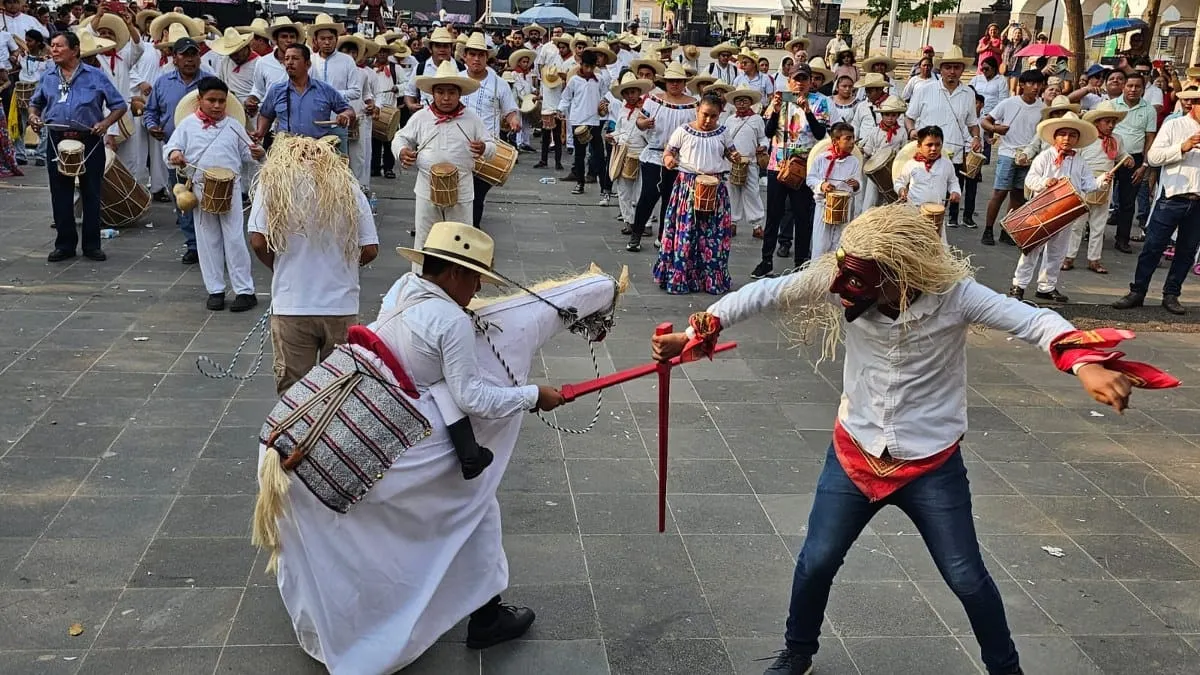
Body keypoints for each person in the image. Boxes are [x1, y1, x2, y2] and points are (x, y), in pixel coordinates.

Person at [650, 204, 1173, 675]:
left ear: (904, 275)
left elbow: (1035, 321)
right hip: (855, 452)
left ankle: (1005, 668)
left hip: (931, 464)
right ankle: (798, 651)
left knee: (966, 577)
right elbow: (764, 292)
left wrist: (1084, 363)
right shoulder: (845, 279)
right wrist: (693, 333)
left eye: (863, 281)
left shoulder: (957, 297)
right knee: (817, 560)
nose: (847, 290)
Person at [247, 134, 379, 395]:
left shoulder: (273, 184)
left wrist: (280, 268)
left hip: (292, 305)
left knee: (294, 396)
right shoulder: (349, 187)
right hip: (341, 306)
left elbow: (258, 241)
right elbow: (370, 249)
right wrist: (343, 269)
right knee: (338, 394)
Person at [165, 77, 264, 311]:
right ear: (200, 99)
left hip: (230, 189)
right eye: (212, 100)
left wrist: (258, 153)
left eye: (221, 101)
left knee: (235, 239)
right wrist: (175, 154)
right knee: (207, 240)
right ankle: (215, 290)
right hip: (201, 189)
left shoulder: (234, 125)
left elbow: (248, 154)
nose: (217, 105)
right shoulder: (187, 125)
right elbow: (170, 149)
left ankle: (245, 291)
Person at [29, 31, 126, 262]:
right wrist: (33, 116)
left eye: (59, 46)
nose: (53, 50)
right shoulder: (48, 76)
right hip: (57, 140)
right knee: (60, 193)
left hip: (89, 139)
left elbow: (119, 105)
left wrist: (105, 124)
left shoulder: (95, 76)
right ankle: (64, 245)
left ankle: (92, 246)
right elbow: (35, 103)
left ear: (74, 50)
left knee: (91, 192)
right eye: (52, 45)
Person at [1112, 88, 1200, 315]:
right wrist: (1182, 147)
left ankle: (1171, 294)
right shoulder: (1174, 126)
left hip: (1198, 202)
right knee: (1153, 247)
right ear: (1194, 104)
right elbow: (1153, 157)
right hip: (1172, 197)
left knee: (1187, 251)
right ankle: (1138, 291)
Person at [393, 60, 494, 257]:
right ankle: (421, 274)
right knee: (425, 239)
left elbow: (491, 146)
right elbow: (400, 137)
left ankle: (457, 275)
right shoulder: (421, 117)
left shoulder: (471, 118)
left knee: (460, 240)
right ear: (433, 93)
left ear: (459, 94)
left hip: (462, 190)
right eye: (440, 92)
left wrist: (484, 148)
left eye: (451, 92)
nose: (446, 98)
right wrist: (402, 151)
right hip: (426, 189)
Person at [1008, 112, 1099, 303]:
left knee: (1057, 251)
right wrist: (1045, 182)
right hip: (1043, 210)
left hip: (1066, 211)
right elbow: (1030, 179)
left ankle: (1047, 286)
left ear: (1077, 139)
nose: (1067, 138)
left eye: (1072, 135)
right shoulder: (1045, 156)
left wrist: (1102, 181)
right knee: (1032, 249)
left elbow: (1088, 184)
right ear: (1055, 136)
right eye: (1063, 134)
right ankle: (1019, 284)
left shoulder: (1080, 161)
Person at [653, 94, 738, 294]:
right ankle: (680, 277)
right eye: (705, 114)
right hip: (687, 188)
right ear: (697, 110)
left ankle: (710, 279)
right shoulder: (683, 131)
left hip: (715, 188)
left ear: (720, 115)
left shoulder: (723, 132)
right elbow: (668, 152)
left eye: (713, 116)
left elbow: (730, 152)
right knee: (686, 234)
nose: (708, 120)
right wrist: (668, 160)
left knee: (712, 236)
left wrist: (734, 156)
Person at [752, 63, 830, 279]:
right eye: (796, 79)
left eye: (804, 79)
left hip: (803, 166)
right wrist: (776, 111)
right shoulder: (780, 99)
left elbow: (820, 133)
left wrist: (807, 111)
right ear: (789, 81)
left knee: (802, 215)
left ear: (810, 81)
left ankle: (800, 262)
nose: (800, 83)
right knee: (773, 215)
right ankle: (766, 261)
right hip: (777, 165)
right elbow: (768, 132)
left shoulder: (820, 101)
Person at [144, 33, 214, 264]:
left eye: (194, 55)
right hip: (175, 150)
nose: (190, 60)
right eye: (185, 55)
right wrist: (152, 126)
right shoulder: (163, 82)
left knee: (207, 198)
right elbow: (151, 111)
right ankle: (193, 244)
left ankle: (210, 243)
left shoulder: (210, 82)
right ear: (174, 58)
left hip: (205, 150)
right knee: (182, 197)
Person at [905, 46, 982, 228]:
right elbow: (909, 117)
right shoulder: (925, 89)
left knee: (941, 203)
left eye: (957, 67)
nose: (952, 72)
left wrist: (976, 138)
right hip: (925, 155)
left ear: (962, 70)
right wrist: (912, 131)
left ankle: (935, 236)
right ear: (941, 69)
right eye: (948, 67)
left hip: (953, 156)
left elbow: (972, 124)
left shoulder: (968, 93)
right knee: (920, 199)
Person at [625, 62, 697, 251]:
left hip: (680, 159)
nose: (675, 84)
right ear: (665, 82)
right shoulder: (654, 101)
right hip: (655, 154)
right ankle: (636, 234)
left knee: (671, 198)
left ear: (684, 82)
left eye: (678, 81)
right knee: (648, 195)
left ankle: (664, 236)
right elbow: (640, 121)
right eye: (671, 81)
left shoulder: (693, 104)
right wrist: (644, 123)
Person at [1063, 107, 1133, 275]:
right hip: (1084, 182)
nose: (1111, 125)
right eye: (1107, 122)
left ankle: (1094, 259)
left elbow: (1122, 155)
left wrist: (1128, 159)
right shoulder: (1087, 139)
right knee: (1077, 224)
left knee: (1099, 224)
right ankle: (1069, 256)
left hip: (1106, 184)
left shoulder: (1117, 139)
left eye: (1113, 122)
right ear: (1096, 122)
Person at [980, 69, 1046, 245]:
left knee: (1018, 195)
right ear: (1022, 85)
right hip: (1007, 153)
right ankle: (988, 229)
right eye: (1031, 83)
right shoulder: (1009, 103)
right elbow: (985, 121)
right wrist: (995, 129)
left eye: (1038, 84)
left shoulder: (1043, 108)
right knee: (999, 193)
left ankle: (1007, 230)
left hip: (1028, 155)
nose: (1035, 87)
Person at [460, 32, 519, 224]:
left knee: (476, 197)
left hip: (486, 149)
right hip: (457, 147)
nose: (476, 59)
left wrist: (513, 120)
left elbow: (510, 110)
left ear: (487, 57)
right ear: (465, 56)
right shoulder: (456, 80)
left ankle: (472, 230)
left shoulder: (499, 84)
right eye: (472, 54)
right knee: (458, 196)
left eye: (481, 55)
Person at [255, 44, 354, 141]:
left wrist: (345, 115)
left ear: (308, 64)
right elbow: (266, 116)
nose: (289, 62)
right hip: (286, 148)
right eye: (287, 59)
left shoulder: (325, 90)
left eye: (295, 58)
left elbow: (349, 111)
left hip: (317, 149)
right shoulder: (276, 91)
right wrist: (260, 132)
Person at [1108, 71, 1157, 253]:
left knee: (1127, 202)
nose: (1133, 89)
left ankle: (1122, 239)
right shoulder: (1112, 105)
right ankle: (1092, 235)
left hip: (1134, 160)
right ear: (1123, 87)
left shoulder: (1149, 110)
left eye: (1138, 86)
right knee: (1101, 199)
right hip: (1109, 157)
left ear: (1143, 89)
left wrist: (1144, 166)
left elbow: (1150, 138)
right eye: (1130, 85)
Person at [895, 125, 959, 245]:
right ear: (919, 146)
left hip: (937, 213)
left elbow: (953, 181)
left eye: (938, 144)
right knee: (914, 245)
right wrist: (901, 189)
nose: (934, 148)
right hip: (914, 211)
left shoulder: (946, 164)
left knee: (937, 245)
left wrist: (955, 192)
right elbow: (900, 181)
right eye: (929, 145)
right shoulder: (911, 164)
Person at [807, 123, 861, 257]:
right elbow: (810, 179)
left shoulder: (854, 162)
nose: (852, 142)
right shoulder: (821, 159)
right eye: (847, 138)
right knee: (820, 246)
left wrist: (856, 185)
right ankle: (817, 269)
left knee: (839, 246)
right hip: (824, 207)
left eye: (853, 138)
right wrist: (822, 185)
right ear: (835, 141)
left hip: (844, 209)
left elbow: (858, 184)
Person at [609, 72, 651, 230]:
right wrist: (613, 137)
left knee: (642, 190)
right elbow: (619, 130)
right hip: (624, 153)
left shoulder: (646, 109)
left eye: (633, 92)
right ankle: (628, 220)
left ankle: (645, 223)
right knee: (623, 189)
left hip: (642, 153)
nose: (630, 96)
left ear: (639, 92)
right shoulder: (622, 110)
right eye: (626, 93)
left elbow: (650, 133)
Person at [726, 86, 767, 238]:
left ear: (750, 102)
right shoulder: (730, 120)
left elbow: (763, 137)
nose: (741, 104)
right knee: (732, 192)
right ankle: (732, 222)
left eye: (744, 101)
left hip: (750, 162)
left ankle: (757, 225)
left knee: (752, 192)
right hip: (732, 162)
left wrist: (763, 146)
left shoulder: (757, 119)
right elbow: (725, 139)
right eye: (738, 101)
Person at [857, 95, 907, 209]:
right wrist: (863, 150)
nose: (890, 118)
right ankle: (868, 216)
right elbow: (869, 149)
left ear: (898, 115)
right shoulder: (875, 131)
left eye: (893, 115)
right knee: (871, 199)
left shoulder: (902, 132)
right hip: (875, 170)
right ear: (882, 115)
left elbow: (903, 150)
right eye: (887, 115)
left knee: (890, 199)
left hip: (893, 170)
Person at [535, 65, 565, 170]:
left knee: (547, 138)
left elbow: (542, 96)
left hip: (549, 111)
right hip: (554, 111)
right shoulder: (561, 84)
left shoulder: (544, 83)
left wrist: (537, 98)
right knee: (555, 139)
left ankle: (545, 160)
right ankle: (557, 162)